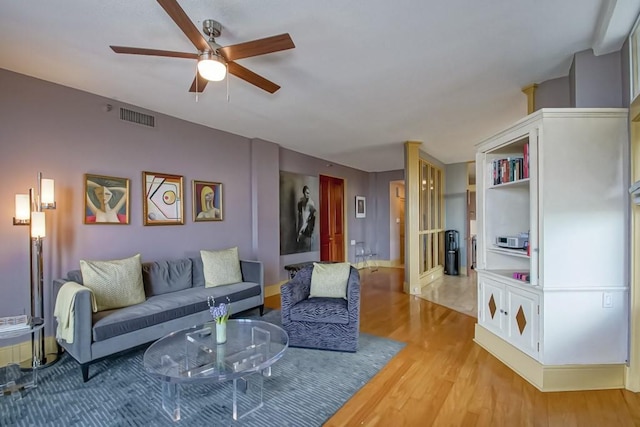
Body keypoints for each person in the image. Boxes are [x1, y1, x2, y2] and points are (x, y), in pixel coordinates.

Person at [296, 185, 316, 251]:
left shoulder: (311, 204)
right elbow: (300, 216)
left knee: (307, 245)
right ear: (303, 193)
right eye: (306, 193)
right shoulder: (300, 203)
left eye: (308, 193)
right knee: (300, 244)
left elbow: (311, 217)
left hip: (308, 227)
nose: (308, 195)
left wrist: (306, 226)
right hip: (302, 224)